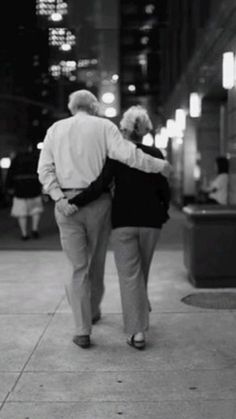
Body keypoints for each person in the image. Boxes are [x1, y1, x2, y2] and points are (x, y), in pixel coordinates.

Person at [37, 90, 171, 349]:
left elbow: (44, 168)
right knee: (95, 262)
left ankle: (82, 329)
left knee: (77, 267)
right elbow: (129, 155)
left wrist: (58, 197)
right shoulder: (104, 127)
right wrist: (159, 166)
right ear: (94, 106)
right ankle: (94, 309)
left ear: (71, 106)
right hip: (98, 205)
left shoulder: (55, 129)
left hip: (65, 204)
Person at [5, 145, 43, 240]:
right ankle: (34, 229)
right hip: (34, 187)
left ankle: (24, 234)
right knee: (36, 210)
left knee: (21, 212)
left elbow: (10, 174)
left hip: (19, 189)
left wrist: (9, 187)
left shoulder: (15, 160)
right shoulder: (35, 159)